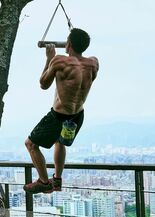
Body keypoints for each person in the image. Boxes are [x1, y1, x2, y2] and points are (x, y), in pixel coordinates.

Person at [24, 28, 99, 193]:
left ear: (69, 44)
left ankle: (44, 182)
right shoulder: (93, 63)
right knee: (60, 142)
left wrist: (49, 59)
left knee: (30, 144)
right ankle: (57, 180)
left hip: (59, 116)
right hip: (77, 116)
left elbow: (43, 84)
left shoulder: (60, 61)